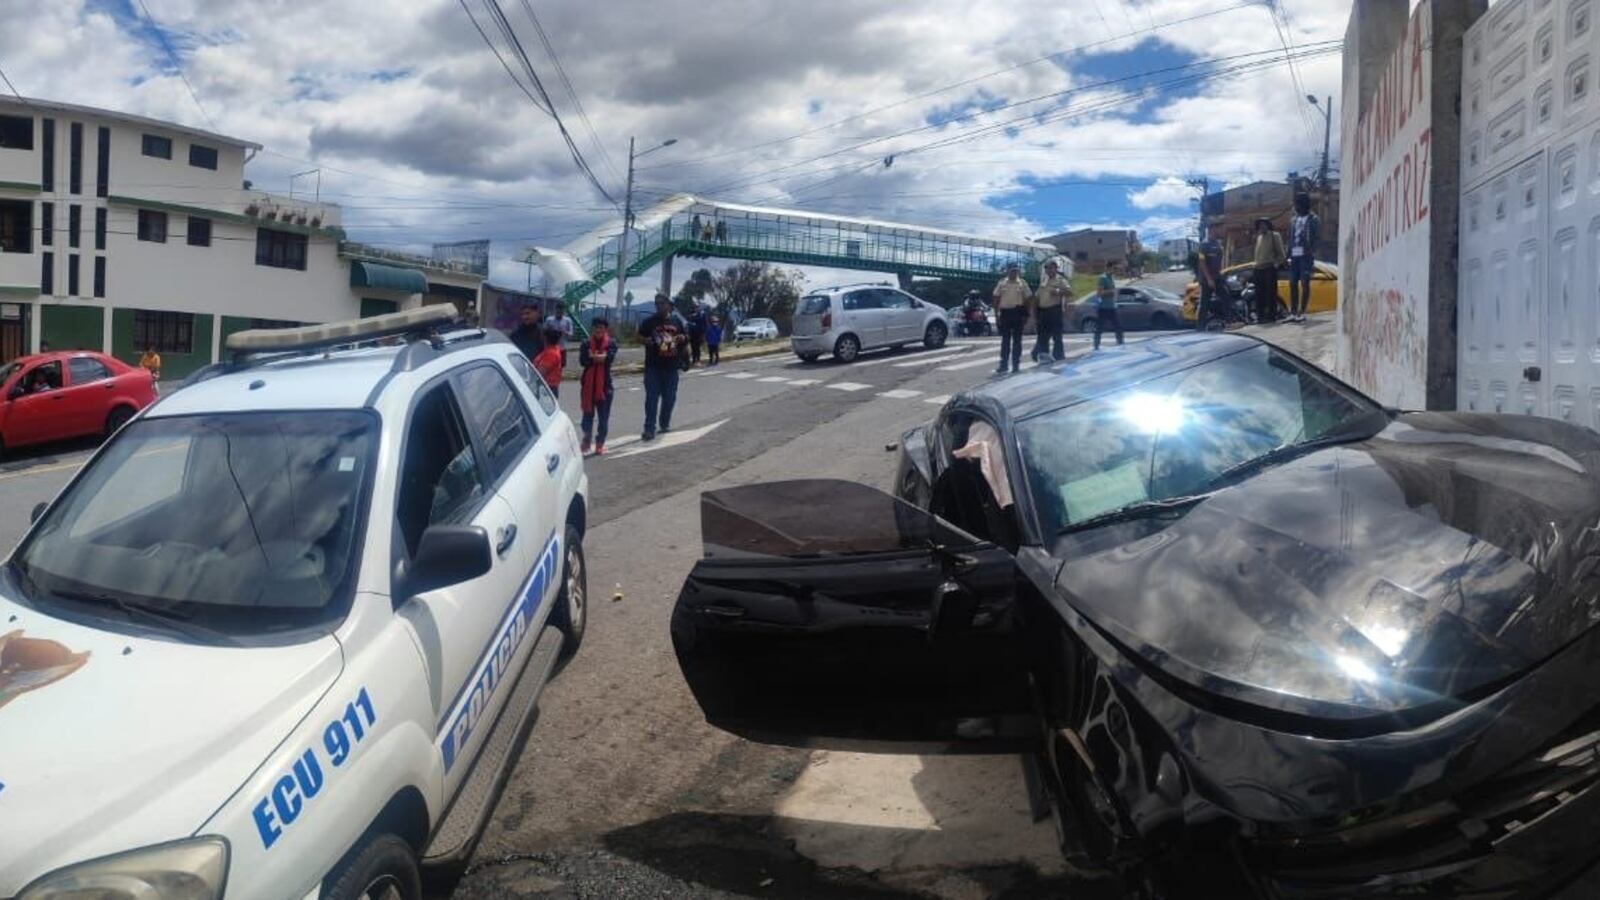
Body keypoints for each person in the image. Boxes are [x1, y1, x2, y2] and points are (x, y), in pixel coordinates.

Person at [639, 292, 687, 441]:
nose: (659, 306)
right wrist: (645, 340)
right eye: (657, 303)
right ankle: (649, 429)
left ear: (668, 305)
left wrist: (682, 338)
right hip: (653, 366)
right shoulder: (649, 322)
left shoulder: (677, 322)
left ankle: (664, 423)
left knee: (669, 398)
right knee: (652, 398)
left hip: (671, 367)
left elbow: (685, 338)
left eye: (662, 303)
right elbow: (638, 336)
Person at [579, 317, 618, 455]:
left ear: (605, 329)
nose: (598, 330)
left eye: (601, 327)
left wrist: (595, 357)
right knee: (587, 416)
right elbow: (583, 361)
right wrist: (598, 358)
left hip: (605, 387)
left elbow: (609, 359)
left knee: (603, 418)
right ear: (592, 329)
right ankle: (586, 440)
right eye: (596, 327)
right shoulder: (585, 343)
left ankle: (600, 443)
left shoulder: (611, 343)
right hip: (588, 386)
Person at [991, 262, 1031, 374]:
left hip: (1018, 313)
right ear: (1007, 271)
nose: (1014, 272)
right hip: (1005, 314)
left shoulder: (1022, 283)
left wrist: (1026, 315)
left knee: (1017, 341)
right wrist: (996, 315)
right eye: (1012, 270)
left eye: (1016, 270)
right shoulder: (1002, 283)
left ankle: (1016, 365)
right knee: (1005, 341)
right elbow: (996, 298)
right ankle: (1003, 364)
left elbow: (1028, 299)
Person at [1287, 193, 1320, 323]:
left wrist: (1312, 251)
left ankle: (1302, 312)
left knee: (1305, 282)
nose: (1296, 207)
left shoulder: (1314, 219)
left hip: (1306, 256)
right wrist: (1287, 253)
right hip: (1294, 255)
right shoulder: (1293, 220)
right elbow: (1290, 238)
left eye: (1298, 204)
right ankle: (1293, 312)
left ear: (1304, 204)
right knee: (1292, 283)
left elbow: (1317, 238)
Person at [1031, 259, 1072, 363]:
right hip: (1043, 312)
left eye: (1051, 268)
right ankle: (1044, 357)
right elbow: (1037, 297)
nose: (1049, 270)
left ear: (1055, 269)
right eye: (1047, 268)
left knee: (1057, 336)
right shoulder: (1044, 281)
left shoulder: (1060, 280)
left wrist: (1057, 291)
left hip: (1054, 310)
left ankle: (1059, 357)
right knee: (1042, 336)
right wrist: (1035, 314)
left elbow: (1069, 292)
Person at [1252, 217, 1287, 324]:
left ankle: (1271, 316)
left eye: (1264, 224)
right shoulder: (1258, 237)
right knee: (1259, 294)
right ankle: (1260, 317)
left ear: (1268, 225)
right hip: (1258, 269)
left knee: (1270, 294)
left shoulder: (1274, 236)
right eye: (1260, 225)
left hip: (1269, 268)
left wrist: (1275, 265)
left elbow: (1281, 255)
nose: (1262, 227)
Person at [1195, 238, 1224, 330]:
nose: (1221, 230)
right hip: (1207, 280)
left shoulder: (1218, 244)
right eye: (1219, 227)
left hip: (1217, 278)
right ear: (1213, 229)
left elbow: (1220, 263)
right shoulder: (1204, 245)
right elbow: (1202, 262)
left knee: (1226, 298)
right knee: (1205, 304)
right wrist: (1209, 279)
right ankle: (1200, 328)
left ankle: (1230, 321)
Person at [1093, 269, 1124, 350]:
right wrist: (1110, 291)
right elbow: (1099, 293)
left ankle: (1120, 343)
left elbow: (1114, 292)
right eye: (1114, 268)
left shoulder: (1112, 278)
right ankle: (1096, 345)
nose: (1116, 270)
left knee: (1118, 326)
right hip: (1103, 307)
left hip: (1112, 307)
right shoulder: (1103, 278)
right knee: (1099, 328)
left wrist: (1115, 299)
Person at [533, 328, 564, 397]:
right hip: (546, 387)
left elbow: (540, 373)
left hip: (547, 388)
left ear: (546, 339)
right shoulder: (551, 350)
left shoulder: (551, 354)